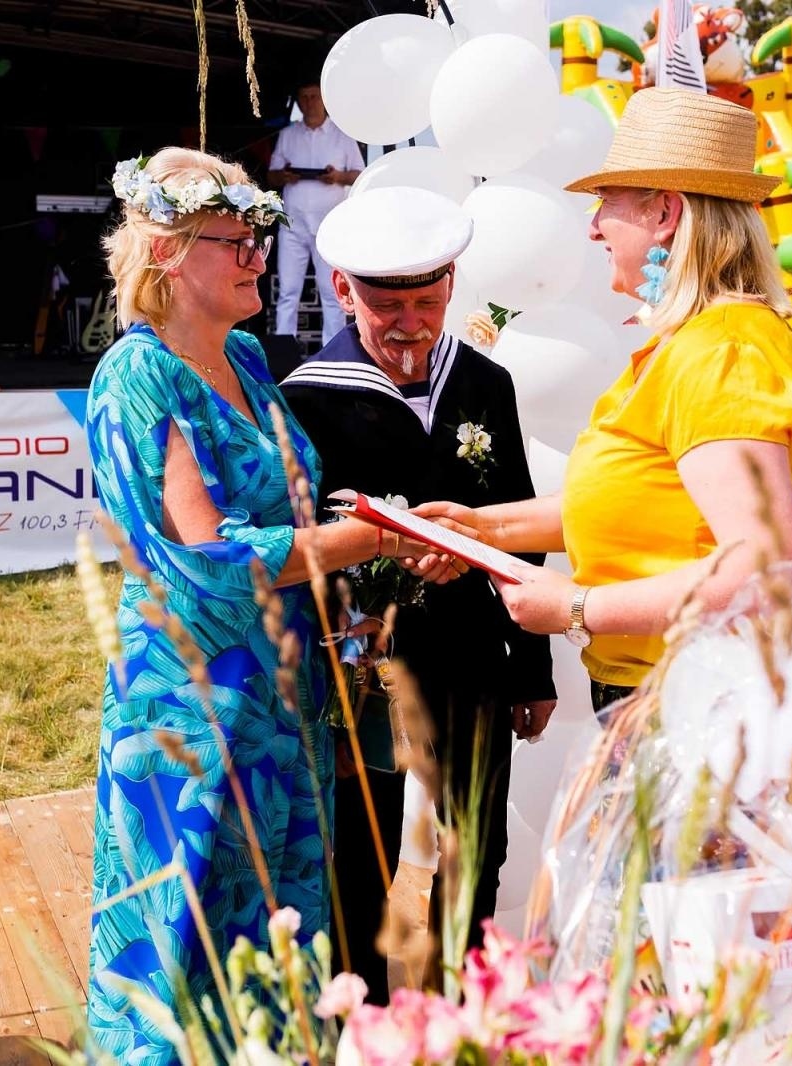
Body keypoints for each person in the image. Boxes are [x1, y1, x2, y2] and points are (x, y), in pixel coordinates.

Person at [85, 148, 453, 1062]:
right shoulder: (137, 376)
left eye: (259, 238)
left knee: (283, 919)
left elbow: (289, 510)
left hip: (289, 689)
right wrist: (369, 540)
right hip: (195, 698)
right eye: (235, 241)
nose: (258, 257)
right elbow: (207, 559)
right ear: (167, 253)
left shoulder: (248, 359)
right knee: (191, 922)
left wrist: (352, 588)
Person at [414, 88, 792, 714]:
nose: (592, 227)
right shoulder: (696, 345)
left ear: (664, 212)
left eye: (607, 204)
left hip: (698, 701)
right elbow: (634, 500)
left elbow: (764, 568)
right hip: (680, 689)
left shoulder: (720, 353)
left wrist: (580, 607)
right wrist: (480, 528)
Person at [280, 186, 557, 1004]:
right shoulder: (304, 398)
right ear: (340, 291)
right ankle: (358, 1018)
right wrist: (386, 559)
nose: (411, 325)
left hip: (474, 657)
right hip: (364, 671)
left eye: (429, 303)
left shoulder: (485, 383)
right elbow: (300, 547)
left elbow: (523, 521)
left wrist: (531, 667)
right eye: (387, 307)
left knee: (478, 844)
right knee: (361, 858)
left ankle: (467, 1016)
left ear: (452, 286)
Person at [267, 79, 363, 347]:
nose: (309, 102)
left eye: (314, 96)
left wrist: (338, 176)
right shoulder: (289, 134)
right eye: (304, 97)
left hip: (328, 226)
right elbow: (271, 176)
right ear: (298, 102)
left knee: (331, 293)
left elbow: (359, 173)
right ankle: (283, 352)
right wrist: (284, 175)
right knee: (288, 292)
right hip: (293, 224)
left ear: (324, 100)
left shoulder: (342, 135)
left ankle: (333, 352)